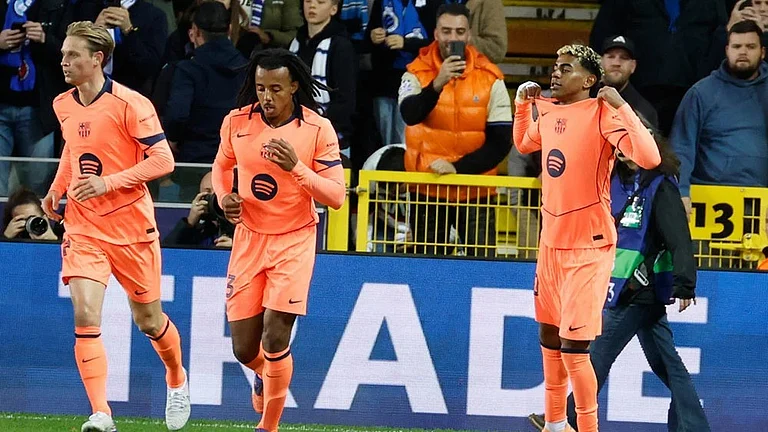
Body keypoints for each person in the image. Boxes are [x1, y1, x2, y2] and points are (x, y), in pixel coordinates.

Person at [40, 21, 190, 432]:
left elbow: (164, 162)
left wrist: (108, 182)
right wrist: (57, 189)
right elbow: (74, 147)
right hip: (84, 226)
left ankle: (176, 378)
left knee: (149, 320)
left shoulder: (132, 104)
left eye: (72, 54)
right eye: (64, 53)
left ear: (97, 60)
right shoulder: (63, 104)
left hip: (131, 228)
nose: (64, 60)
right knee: (86, 316)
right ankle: (101, 414)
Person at [513, 44, 661, 432]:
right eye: (555, 66)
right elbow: (525, 143)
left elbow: (649, 158)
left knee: (575, 349)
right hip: (551, 244)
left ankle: (588, 428)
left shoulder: (602, 115)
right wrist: (521, 106)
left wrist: (621, 106)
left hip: (589, 247)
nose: (556, 73)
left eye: (567, 68)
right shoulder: (548, 110)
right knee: (548, 335)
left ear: (590, 80)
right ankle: (556, 424)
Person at [529, 123, 711, 432]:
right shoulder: (614, 181)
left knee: (598, 351)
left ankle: (565, 420)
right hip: (615, 283)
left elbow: (679, 236)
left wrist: (684, 282)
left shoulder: (660, 185)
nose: (627, 149)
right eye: (621, 142)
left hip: (639, 286)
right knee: (667, 363)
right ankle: (693, 427)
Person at [212, 48, 345, 432]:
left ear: (294, 87)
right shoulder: (237, 122)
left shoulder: (318, 130)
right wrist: (225, 199)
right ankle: (265, 375)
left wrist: (296, 167)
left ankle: (268, 427)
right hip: (249, 239)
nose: (266, 98)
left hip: (294, 240)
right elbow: (221, 168)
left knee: (275, 335)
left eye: (275, 89)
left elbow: (335, 197)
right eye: (259, 88)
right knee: (244, 349)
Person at [398, 3, 512, 257]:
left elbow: (501, 143)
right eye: (446, 31)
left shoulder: (491, 78)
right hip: (427, 191)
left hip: (476, 193)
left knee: (482, 270)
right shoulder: (415, 73)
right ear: (436, 34)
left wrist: (457, 169)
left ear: (469, 35)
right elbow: (410, 115)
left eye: (460, 32)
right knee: (428, 270)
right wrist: (437, 83)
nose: (453, 38)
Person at [671, 20, 767, 218]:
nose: (743, 52)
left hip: (763, 201)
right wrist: (681, 192)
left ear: (762, 52)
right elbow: (682, 147)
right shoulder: (701, 93)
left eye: (750, 47)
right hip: (710, 201)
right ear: (726, 50)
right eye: (736, 46)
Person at [289, 0, 357, 158]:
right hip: (294, 135)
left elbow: (346, 100)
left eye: (320, 2)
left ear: (333, 9)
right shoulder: (295, 43)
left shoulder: (341, 46)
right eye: (308, 1)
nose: (312, 6)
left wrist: (316, 125)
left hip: (332, 137)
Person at [596, 35, 658, 130]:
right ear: (600, 62)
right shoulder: (584, 97)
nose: (616, 63)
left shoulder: (645, 111)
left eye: (624, 58)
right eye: (611, 57)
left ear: (633, 66)